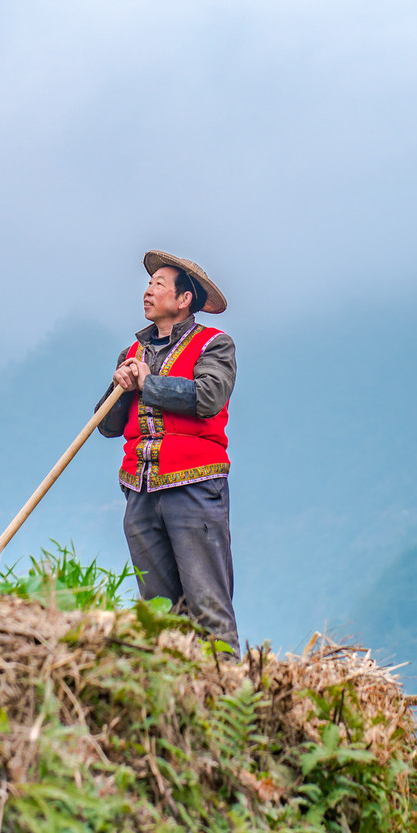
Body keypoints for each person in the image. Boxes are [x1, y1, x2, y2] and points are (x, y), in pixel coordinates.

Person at [97, 250, 238, 650]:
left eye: (159, 284)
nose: (148, 291)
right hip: (140, 492)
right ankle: (175, 699)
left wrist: (148, 383)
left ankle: (228, 692)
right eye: (148, 284)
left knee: (208, 606)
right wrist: (120, 387)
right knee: (160, 615)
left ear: (183, 300)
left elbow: (208, 397)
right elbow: (107, 425)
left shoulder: (215, 345)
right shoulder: (131, 354)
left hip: (194, 488)